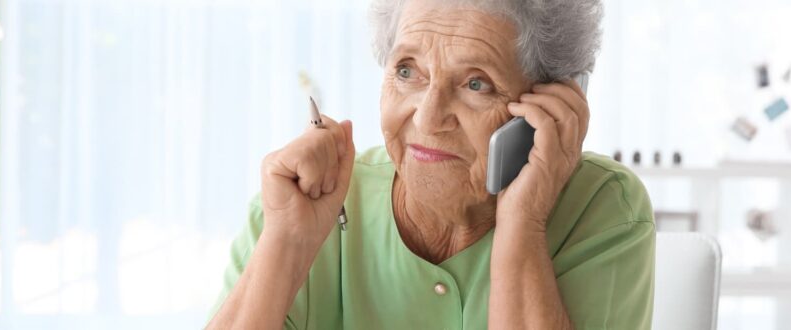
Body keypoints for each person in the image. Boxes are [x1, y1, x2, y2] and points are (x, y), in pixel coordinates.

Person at [207, 0, 655, 328]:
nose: (426, 117)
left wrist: (523, 224)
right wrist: (287, 242)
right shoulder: (303, 202)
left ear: (550, 104)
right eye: (406, 71)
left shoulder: (602, 210)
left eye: (475, 83)